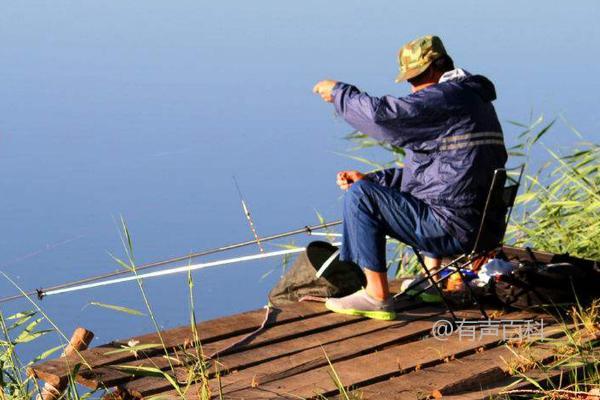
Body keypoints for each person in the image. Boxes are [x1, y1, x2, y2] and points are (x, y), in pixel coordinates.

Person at [312, 35, 507, 321]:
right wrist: (375, 179)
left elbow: (383, 117)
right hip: (482, 228)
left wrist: (340, 94)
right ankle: (435, 280)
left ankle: (376, 296)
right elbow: (439, 173)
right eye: (409, 80)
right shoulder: (473, 100)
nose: (413, 88)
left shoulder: (446, 97)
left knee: (360, 196)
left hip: (452, 228)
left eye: (416, 78)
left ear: (435, 68)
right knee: (369, 188)